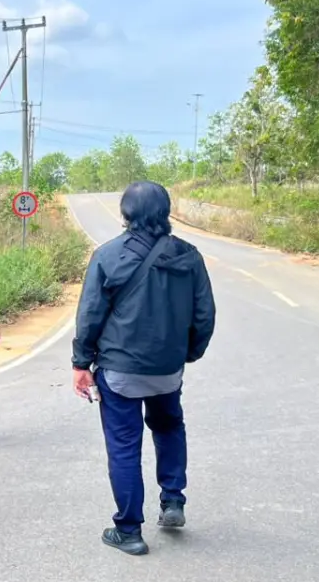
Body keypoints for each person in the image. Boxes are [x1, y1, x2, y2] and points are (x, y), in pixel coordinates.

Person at [71, 181, 216, 556]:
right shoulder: (189, 256)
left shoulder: (108, 255)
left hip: (120, 370)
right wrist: (188, 354)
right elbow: (204, 314)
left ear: (126, 214)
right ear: (166, 211)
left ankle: (129, 530)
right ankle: (172, 500)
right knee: (168, 428)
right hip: (167, 370)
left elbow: (90, 315)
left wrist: (80, 362)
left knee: (124, 445)